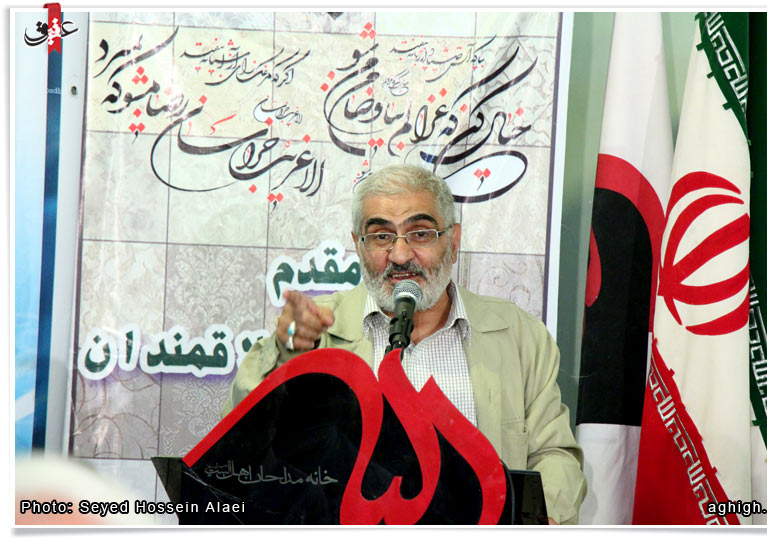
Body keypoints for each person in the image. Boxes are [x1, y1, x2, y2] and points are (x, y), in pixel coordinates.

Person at [223, 164, 586, 524]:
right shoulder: (315, 331)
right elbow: (241, 445)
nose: (399, 255)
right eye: (381, 236)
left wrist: (543, 521)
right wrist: (285, 353)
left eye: (420, 233)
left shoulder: (519, 336)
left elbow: (554, 453)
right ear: (358, 246)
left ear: (453, 241)